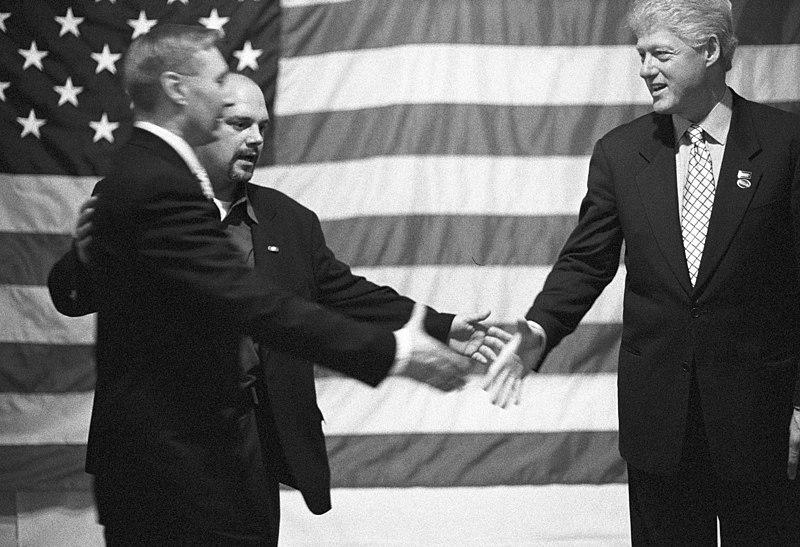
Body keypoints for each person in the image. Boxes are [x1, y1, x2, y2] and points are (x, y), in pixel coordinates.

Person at [47, 24, 484, 545]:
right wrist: (392, 355)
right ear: (179, 90)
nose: (255, 137)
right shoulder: (153, 188)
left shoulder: (286, 219)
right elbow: (249, 301)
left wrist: (438, 324)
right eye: (237, 119)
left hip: (247, 441)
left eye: (262, 125)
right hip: (167, 454)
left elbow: (340, 290)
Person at [484, 0, 800, 544]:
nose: (645, 69)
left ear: (710, 51)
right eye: (641, 55)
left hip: (762, 421)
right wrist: (539, 328)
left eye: (661, 54)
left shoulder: (787, 144)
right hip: (661, 425)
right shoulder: (621, 152)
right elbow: (587, 260)